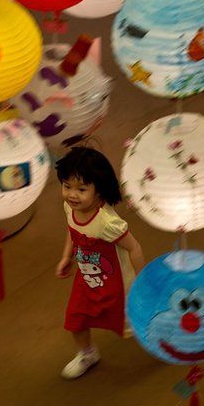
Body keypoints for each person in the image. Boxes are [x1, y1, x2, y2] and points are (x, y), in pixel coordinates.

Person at [55, 147, 145, 380]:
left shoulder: (107, 223)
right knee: (75, 320)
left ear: (99, 190)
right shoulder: (70, 208)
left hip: (117, 286)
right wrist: (67, 256)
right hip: (86, 280)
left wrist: (143, 281)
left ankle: (164, 331)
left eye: (82, 189)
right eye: (67, 186)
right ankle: (87, 354)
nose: (72, 195)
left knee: (137, 321)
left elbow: (134, 247)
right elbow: (71, 230)